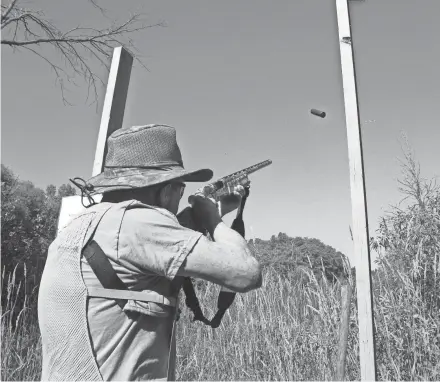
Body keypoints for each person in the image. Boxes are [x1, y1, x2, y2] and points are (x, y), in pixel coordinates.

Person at [37, 124, 262, 381]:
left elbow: (152, 245)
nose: (181, 196)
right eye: (180, 189)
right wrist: (212, 218)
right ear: (165, 190)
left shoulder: (85, 224)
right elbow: (246, 273)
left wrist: (209, 212)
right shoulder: (138, 223)